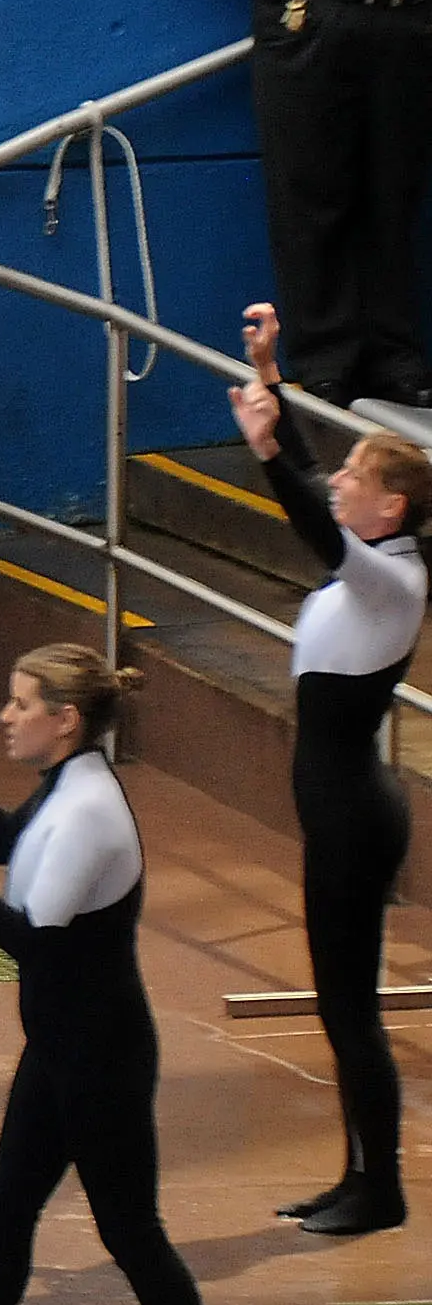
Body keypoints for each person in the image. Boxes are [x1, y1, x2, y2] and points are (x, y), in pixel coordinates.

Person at [0, 644, 239, 1305]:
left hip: (99, 1059)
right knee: (4, 1216)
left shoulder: (89, 810)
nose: (6, 716)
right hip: (61, 1050)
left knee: (130, 1230)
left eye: (21, 703)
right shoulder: (66, 783)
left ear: (66, 719)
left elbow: (34, 942)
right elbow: (5, 839)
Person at [229, 301, 425, 1234]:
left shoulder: (397, 579)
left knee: (351, 1011)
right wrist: (271, 377)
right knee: (340, 1006)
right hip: (341, 807)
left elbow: (314, 518)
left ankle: (381, 1188)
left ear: (394, 508)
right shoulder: (376, 560)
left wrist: (268, 447)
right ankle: (355, 1175)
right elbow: (318, 492)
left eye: (359, 475)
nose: (340, 479)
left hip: (355, 814)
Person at [161, 0, 432, 408]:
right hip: (312, 16)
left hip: (411, 18)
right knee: (312, 193)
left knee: (396, 193)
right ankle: (326, 360)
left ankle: (395, 356)